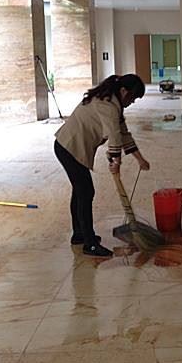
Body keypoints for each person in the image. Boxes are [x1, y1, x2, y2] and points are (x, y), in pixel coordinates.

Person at [54, 74, 150, 257]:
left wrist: (140, 159)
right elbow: (113, 136)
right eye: (132, 97)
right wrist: (116, 161)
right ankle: (89, 244)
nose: (132, 102)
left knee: (80, 191)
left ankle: (79, 235)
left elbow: (123, 134)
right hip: (69, 148)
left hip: (70, 147)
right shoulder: (108, 105)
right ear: (124, 91)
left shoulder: (114, 103)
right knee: (86, 192)